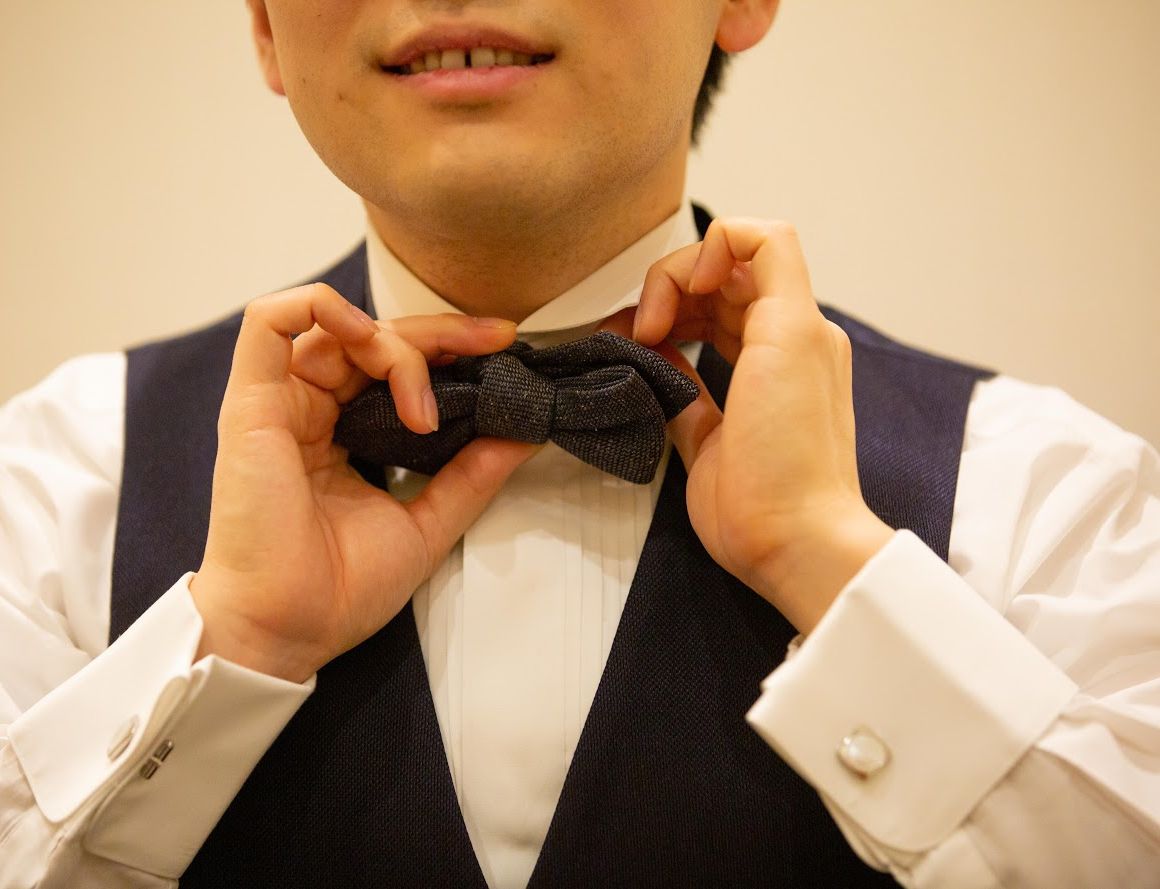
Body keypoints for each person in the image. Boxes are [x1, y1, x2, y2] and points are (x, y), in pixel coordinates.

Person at [1, 0, 1158, 886]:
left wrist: (829, 563)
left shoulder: (1044, 497)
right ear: (263, 22)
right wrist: (230, 645)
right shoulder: (56, 487)